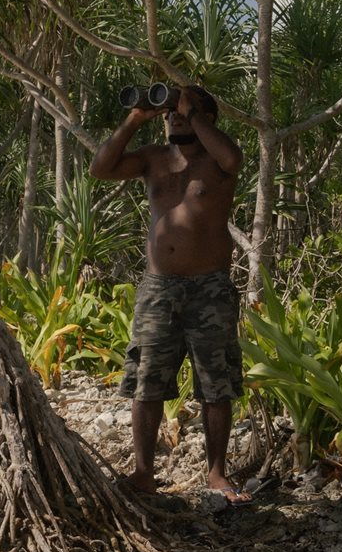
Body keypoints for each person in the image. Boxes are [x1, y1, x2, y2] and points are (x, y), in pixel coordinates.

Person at [89, 85, 249, 503]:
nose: (174, 116)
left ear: (206, 118)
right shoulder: (153, 159)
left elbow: (234, 158)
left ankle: (216, 473)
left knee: (217, 384)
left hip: (209, 286)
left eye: (184, 110)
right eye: (171, 112)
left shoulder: (218, 161)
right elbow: (100, 168)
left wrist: (191, 110)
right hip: (159, 287)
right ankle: (144, 473)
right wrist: (134, 119)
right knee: (147, 379)